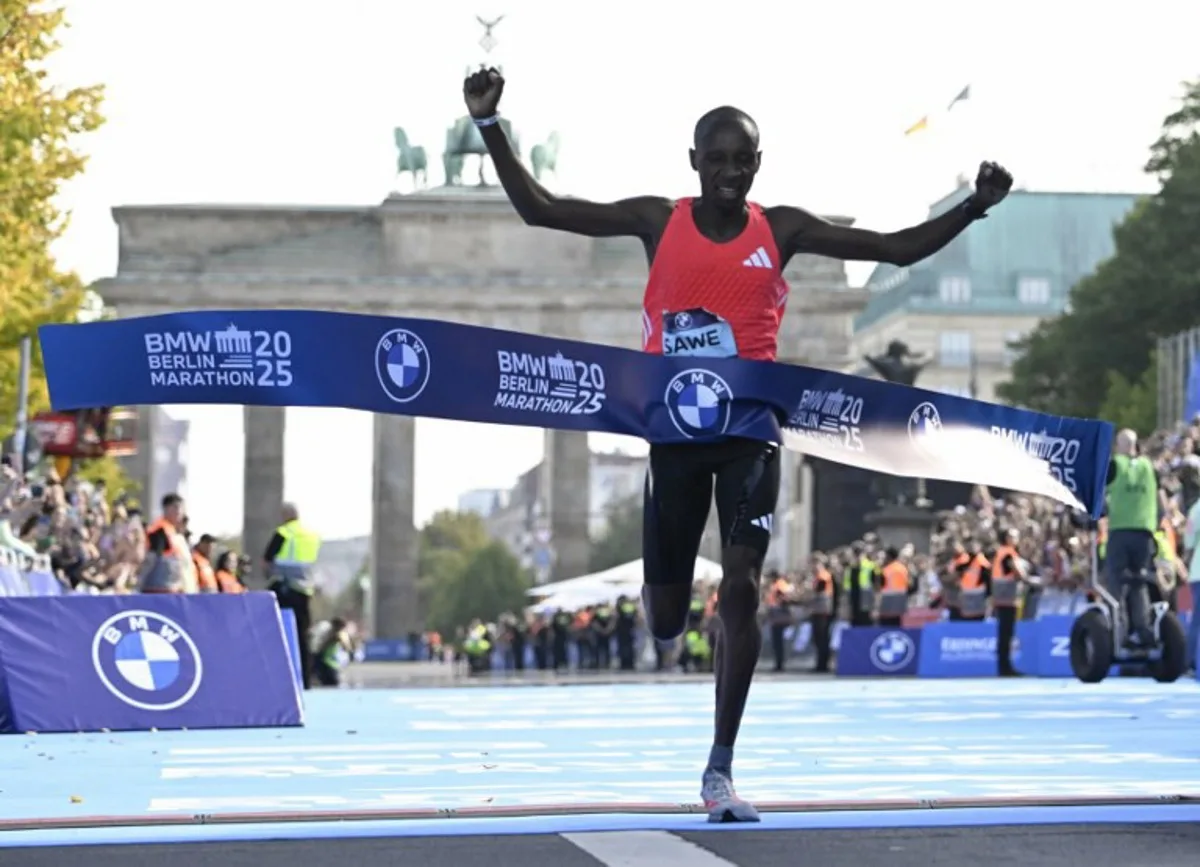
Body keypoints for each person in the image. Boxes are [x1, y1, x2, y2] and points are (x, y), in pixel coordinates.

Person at [463, 67, 1012, 823]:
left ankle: (720, 765)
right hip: (676, 440)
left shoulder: (778, 230)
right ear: (694, 162)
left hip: (751, 429)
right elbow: (542, 210)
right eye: (716, 159)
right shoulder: (659, 220)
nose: (729, 172)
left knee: (744, 585)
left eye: (742, 160)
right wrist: (490, 125)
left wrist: (973, 209)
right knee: (664, 616)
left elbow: (895, 246)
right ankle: (673, 603)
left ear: (758, 164)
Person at [1105, 429, 1159, 646]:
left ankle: (1119, 633)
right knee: (1139, 583)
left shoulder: (1115, 465)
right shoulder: (1148, 467)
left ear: (1119, 446)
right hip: (1145, 533)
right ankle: (1146, 633)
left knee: (1116, 584)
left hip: (1120, 531)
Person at [263, 503, 322, 688]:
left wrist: (268, 575)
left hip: (284, 587)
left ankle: (278, 678)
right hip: (304, 590)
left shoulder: (284, 532)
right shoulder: (312, 535)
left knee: (275, 631)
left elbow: (266, 560)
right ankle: (305, 678)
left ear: (286, 515)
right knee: (303, 635)